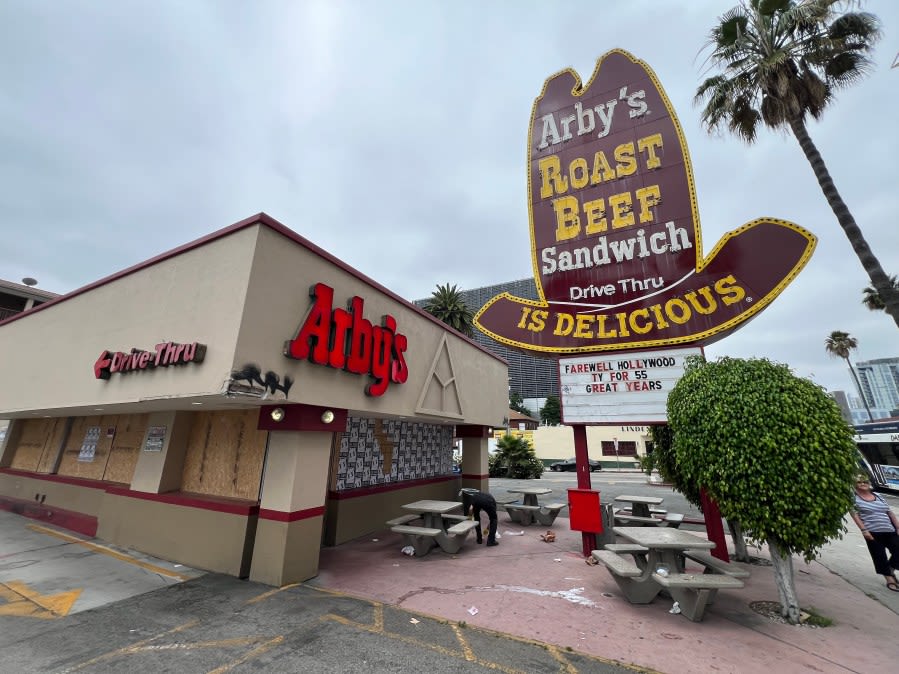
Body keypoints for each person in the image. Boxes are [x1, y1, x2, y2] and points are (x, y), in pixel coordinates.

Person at [850, 474, 899, 591]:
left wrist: (897, 527)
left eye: (865, 481)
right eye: (859, 482)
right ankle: (889, 579)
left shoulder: (878, 495)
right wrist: (864, 530)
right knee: (879, 555)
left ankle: (890, 569)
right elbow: (854, 514)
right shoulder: (854, 498)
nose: (863, 483)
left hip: (889, 529)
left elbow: (889, 512)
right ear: (855, 485)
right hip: (872, 531)